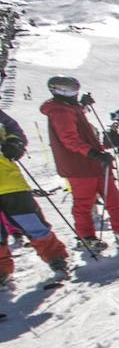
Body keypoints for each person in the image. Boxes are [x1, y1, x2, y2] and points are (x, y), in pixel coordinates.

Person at [40, 76, 119, 247]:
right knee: (84, 203)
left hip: (95, 164)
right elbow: (69, 139)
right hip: (79, 166)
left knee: (113, 199)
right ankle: (87, 236)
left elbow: (77, 119)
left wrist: (82, 105)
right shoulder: (59, 111)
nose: (74, 94)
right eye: (71, 90)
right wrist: (94, 153)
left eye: (76, 90)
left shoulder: (69, 107)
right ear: (58, 91)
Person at [0, 108, 70, 282]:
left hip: (10, 183)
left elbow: (14, 130)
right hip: (10, 184)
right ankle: (2, 271)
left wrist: (15, 143)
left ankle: (56, 258)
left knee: (33, 224)